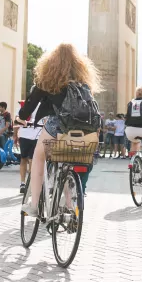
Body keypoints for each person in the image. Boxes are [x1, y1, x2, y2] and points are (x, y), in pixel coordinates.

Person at [18, 43, 102, 215]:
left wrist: (20, 118)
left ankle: (34, 205)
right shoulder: (84, 84)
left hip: (58, 126)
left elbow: (28, 108)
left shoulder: (47, 81)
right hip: (85, 131)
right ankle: (69, 205)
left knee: (39, 156)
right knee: (65, 162)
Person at [13, 105, 43, 195]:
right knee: (23, 159)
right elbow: (16, 119)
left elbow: (46, 120)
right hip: (24, 135)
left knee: (32, 160)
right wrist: (15, 135)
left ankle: (30, 182)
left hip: (37, 136)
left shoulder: (42, 105)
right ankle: (22, 183)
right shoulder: (22, 105)